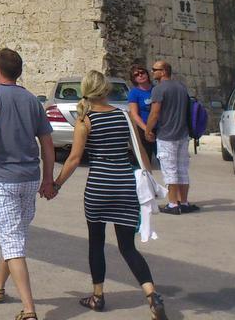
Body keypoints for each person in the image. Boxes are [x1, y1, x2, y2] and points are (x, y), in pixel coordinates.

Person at [52, 70, 167, 318]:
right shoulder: (123, 116)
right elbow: (139, 152)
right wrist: (149, 179)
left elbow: (73, 159)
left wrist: (56, 184)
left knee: (96, 243)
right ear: (105, 90)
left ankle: (98, 296)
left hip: (98, 188)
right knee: (128, 247)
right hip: (125, 185)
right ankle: (151, 295)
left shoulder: (86, 120)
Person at [0, 48, 54, 320]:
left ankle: (29, 310)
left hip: (4, 179)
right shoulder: (32, 100)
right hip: (30, 178)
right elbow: (48, 145)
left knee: (13, 241)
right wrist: (49, 178)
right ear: (19, 72)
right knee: (14, 235)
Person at [145, 60, 198, 214]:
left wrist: (148, 130)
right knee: (182, 170)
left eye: (155, 69)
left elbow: (155, 113)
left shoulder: (159, 89)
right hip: (182, 134)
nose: (152, 72)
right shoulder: (181, 87)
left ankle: (173, 204)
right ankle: (185, 202)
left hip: (166, 135)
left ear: (163, 72)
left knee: (170, 171)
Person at [127, 64, 157, 163]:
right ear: (134, 79)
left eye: (142, 72)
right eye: (136, 75)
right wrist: (146, 129)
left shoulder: (156, 89)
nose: (140, 75)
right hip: (143, 129)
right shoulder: (134, 93)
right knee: (145, 160)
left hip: (159, 128)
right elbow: (134, 114)